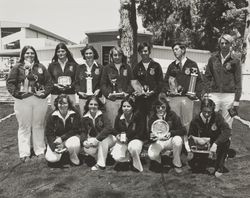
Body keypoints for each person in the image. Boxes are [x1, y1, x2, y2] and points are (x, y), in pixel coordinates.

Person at [6, 45, 52, 162]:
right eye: (27, 53)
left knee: (39, 125)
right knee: (24, 126)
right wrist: (17, 95)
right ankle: (24, 152)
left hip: (39, 100)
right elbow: (10, 83)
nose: (29, 55)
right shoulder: (17, 67)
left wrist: (45, 93)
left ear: (35, 54)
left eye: (32, 53)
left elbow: (49, 82)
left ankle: (40, 150)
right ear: (23, 55)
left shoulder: (41, 67)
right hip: (23, 100)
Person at [162, 42, 203, 131]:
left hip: (187, 99)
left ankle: (187, 142)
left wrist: (196, 94)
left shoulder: (192, 64)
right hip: (174, 99)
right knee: (174, 121)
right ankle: (176, 140)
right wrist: (168, 91)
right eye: (173, 50)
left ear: (183, 50)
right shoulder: (172, 66)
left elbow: (199, 81)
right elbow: (165, 82)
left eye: (176, 49)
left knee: (187, 122)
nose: (174, 52)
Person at [204, 34, 242, 129]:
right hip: (214, 95)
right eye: (222, 43)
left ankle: (225, 143)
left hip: (229, 96)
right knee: (210, 119)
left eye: (227, 43)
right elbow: (207, 77)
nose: (224, 45)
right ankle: (210, 142)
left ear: (231, 45)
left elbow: (238, 81)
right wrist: (206, 93)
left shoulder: (236, 61)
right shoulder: (212, 59)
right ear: (219, 44)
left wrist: (236, 100)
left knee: (227, 124)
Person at [188, 98, 231, 177]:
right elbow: (190, 135)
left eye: (209, 112)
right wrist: (197, 140)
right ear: (201, 109)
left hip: (214, 141)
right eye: (204, 111)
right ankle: (201, 158)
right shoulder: (195, 120)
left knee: (226, 141)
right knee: (198, 167)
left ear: (213, 110)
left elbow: (227, 131)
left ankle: (219, 167)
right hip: (202, 143)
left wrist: (215, 144)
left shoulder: (217, 116)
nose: (207, 114)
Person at [148, 96, 186, 173]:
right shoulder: (152, 118)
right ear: (155, 108)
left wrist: (171, 133)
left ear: (166, 107)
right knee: (152, 155)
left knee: (178, 140)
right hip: (158, 141)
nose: (160, 109)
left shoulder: (172, 115)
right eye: (158, 107)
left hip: (170, 140)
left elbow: (183, 130)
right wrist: (151, 138)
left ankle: (177, 164)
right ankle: (159, 161)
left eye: (163, 107)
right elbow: (148, 135)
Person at [100, 46, 134, 127]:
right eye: (115, 55)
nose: (117, 57)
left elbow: (132, 83)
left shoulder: (127, 67)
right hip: (112, 101)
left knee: (125, 123)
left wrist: (127, 93)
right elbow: (103, 84)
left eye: (119, 55)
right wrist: (108, 94)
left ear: (122, 56)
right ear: (111, 56)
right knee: (112, 123)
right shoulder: (106, 68)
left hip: (125, 101)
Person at [112, 96, 146, 172]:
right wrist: (118, 135)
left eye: (128, 106)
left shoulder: (138, 116)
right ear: (121, 107)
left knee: (133, 147)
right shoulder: (118, 117)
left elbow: (141, 133)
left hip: (136, 139)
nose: (126, 108)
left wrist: (129, 140)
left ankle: (136, 165)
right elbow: (115, 130)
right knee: (116, 156)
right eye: (124, 106)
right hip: (123, 141)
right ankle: (127, 160)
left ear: (132, 107)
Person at [45, 94, 82, 166]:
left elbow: (76, 130)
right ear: (56, 104)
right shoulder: (52, 115)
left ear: (69, 104)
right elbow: (49, 133)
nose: (62, 106)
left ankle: (72, 155)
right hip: (57, 140)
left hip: (70, 138)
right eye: (60, 103)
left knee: (74, 143)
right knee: (52, 159)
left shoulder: (75, 113)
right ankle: (61, 152)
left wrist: (62, 140)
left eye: (65, 103)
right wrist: (54, 146)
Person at [133, 42, 163, 127]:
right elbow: (134, 82)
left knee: (153, 120)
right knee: (141, 122)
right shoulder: (136, 67)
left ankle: (153, 138)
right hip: (140, 100)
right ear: (139, 53)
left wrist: (153, 91)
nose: (143, 53)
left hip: (153, 99)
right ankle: (142, 138)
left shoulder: (156, 66)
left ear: (149, 52)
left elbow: (160, 82)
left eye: (145, 51)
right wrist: (137, 91)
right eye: (141, 51)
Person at [81, 96, 116, 170]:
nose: (93, 106)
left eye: (95, 104)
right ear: (87, 105)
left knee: (102, 140)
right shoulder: (84, 117)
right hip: (95, 139)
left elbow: (108, 128)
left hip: (109, 138)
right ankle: (104, 156)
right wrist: (84, 141)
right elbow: (83, 131)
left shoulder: (103, 114)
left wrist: (97, 139)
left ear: (98, 106)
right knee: (87, 149)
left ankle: (101, 164)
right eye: (91, 104)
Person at [48, 43, 78, 109]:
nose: (60, 53)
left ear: (66, 52)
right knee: (56, 115)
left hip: (70, 94)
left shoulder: (74, 65)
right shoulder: (51, 65)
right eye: (58, 51)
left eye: (62, 51)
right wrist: (55, 85)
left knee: (70, 114)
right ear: (56, 53)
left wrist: (71, 86)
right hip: (56, 94)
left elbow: (77, 79)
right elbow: (49, 80)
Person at [75, 45, 103, 116]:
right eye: (86, 53)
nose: (88, 55)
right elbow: (76, 83)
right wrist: (79, 92)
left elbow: (103, 82)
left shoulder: (100, 67)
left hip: (96, 99)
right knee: (84, 118)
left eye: (90, 53)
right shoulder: (79, 68)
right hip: (83, 99)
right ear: (84, 55)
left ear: (94, 54)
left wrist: (99, 90)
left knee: (97, 118)